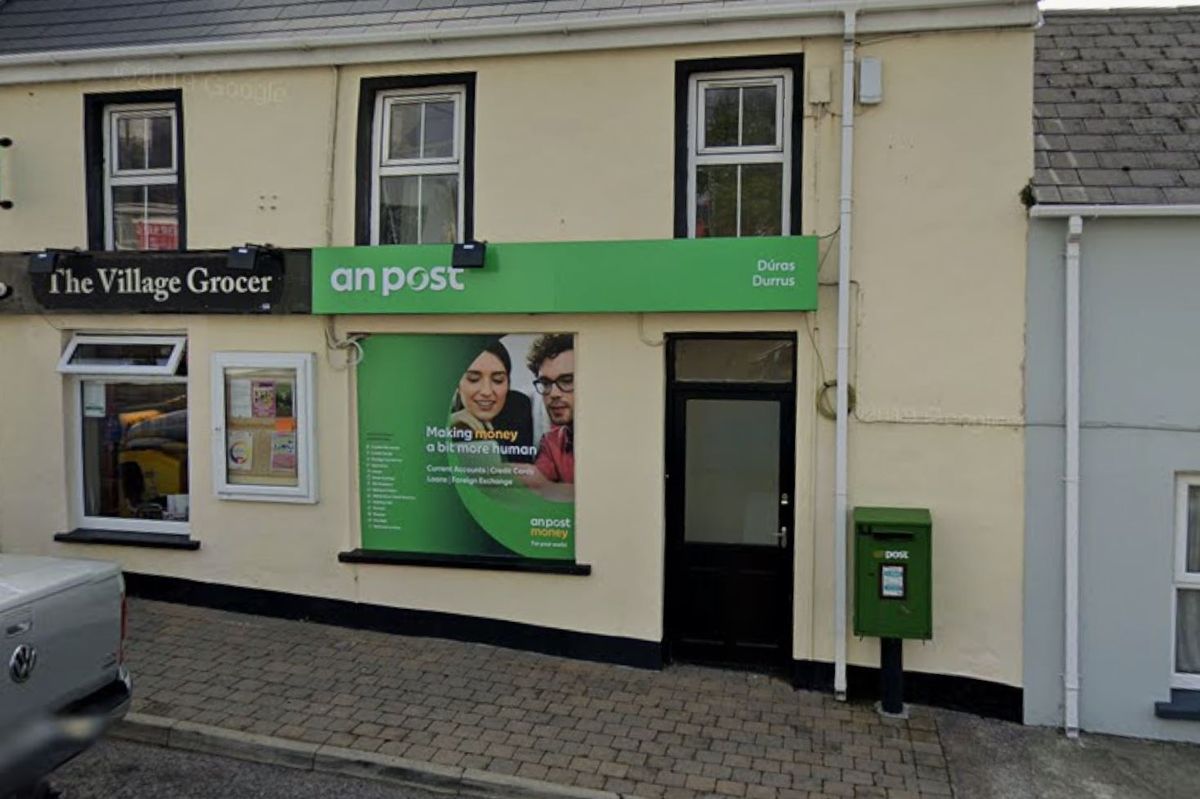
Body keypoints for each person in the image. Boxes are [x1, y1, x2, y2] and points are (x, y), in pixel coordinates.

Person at [450, 340, 535, 462]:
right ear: (457, 384)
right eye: (473, 379)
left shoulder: (519, 406)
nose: (486, 391)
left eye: (498, 380)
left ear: (508, 384)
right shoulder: (440, 414)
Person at [527, 334, 575, 484]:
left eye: (567, 381)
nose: (553, 394)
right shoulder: (550, 442)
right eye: (546, 383)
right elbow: (536, 488)